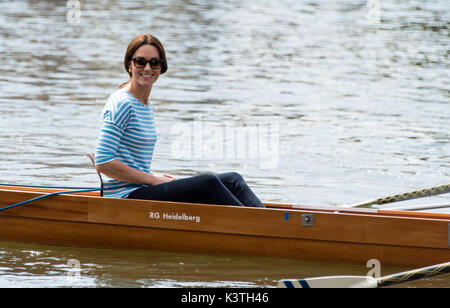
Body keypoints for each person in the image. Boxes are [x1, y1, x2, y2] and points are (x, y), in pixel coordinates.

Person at [94, 34, 265, 208]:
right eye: (140, 61)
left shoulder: (145, 104)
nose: (147, 68)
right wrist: (153, 180)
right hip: (124, 197)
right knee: (209, 182)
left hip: (141, 188)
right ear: (129, 64)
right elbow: (103, 161)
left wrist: (155, 177)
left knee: (233, 179)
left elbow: (129, 160)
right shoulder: (122, 103)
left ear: (161, 67)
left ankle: (270, 225)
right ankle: (258, 229)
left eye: (154, 62)